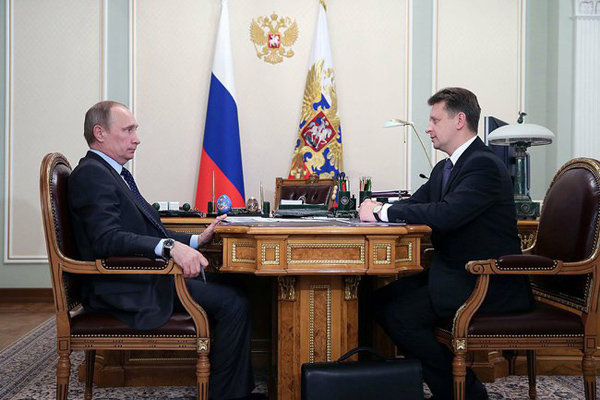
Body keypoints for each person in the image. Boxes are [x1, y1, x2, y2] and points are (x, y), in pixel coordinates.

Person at [68, 101, 265, 400]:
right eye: (128, 130)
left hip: (139, 277)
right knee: (232, 302)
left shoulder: (112, 173)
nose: (136, 138)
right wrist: (170, 247)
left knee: (238, 287)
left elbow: (146, 232)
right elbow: (106, 239)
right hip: (123, 285)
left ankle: (230, 389)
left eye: (135, 130)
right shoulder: (92, 175)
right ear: (100, 133)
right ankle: (228, 396)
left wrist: (196, 240)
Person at [359, 87, 534, 400]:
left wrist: (381, 212)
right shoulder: (445, 168)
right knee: (375, 300)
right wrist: (376, 206)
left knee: (400, 316)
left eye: (435, 120)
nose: (428, 127)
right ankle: (390, 385)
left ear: (459, 120)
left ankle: (464, 392)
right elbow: (416, 204)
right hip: (454, 274)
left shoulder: (483, 165)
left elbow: (447, 214)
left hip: (486, 281)